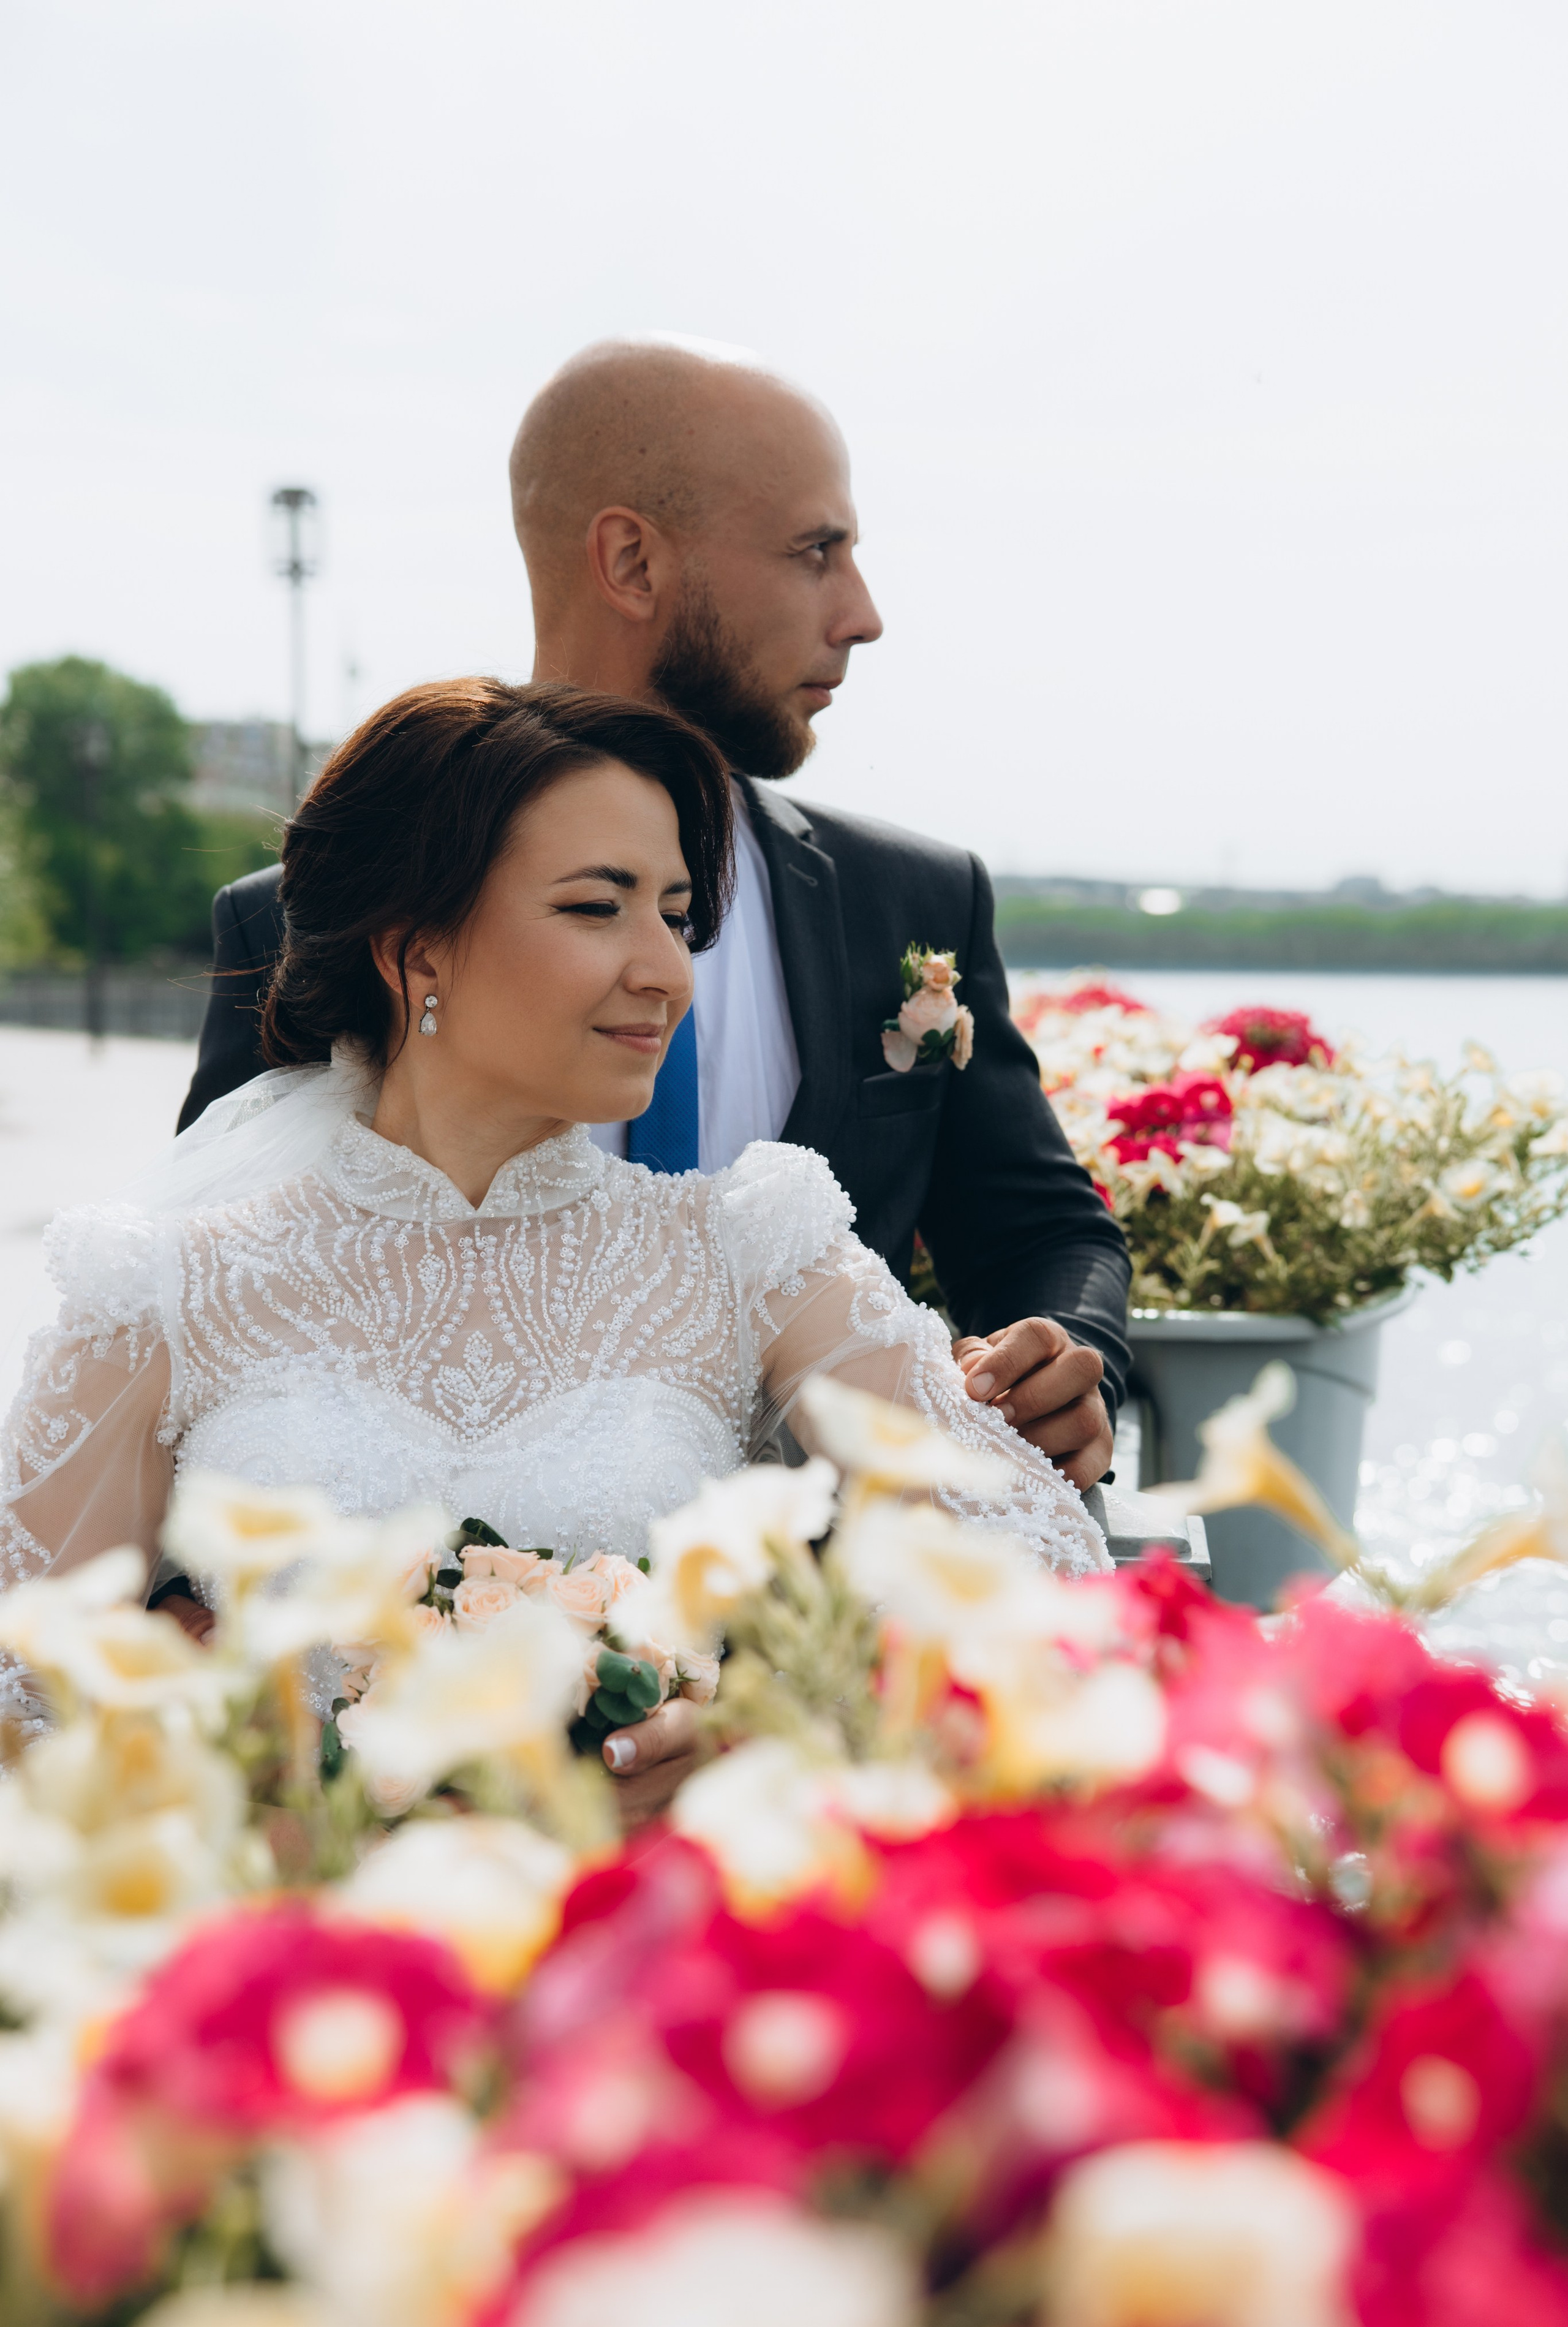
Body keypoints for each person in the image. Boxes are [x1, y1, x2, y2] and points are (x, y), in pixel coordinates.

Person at [1, 683, 1110, 1818]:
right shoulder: (169, 1290)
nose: (668, 971)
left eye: (676, 916)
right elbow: (23, 1703)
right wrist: (234, 1773)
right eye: (599, 908)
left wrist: (757, 1728)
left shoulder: (753, 1255)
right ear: (416, 946)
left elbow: (1042, 1610)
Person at [180, 341, 1130, 1485]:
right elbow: (210, 1310)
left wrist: (1058, 1361)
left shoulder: (913, 902)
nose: (863, 614)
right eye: (815, 551)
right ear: (631, 561)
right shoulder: (313, 922)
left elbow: (1040, 1233)